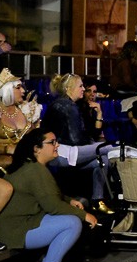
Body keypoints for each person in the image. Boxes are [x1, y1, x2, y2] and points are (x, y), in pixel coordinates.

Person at [0, 129, 98, 262]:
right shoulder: (35, 170)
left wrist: (69, 200)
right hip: (14, 231)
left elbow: (47, 194)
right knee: (72, 223)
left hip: (19, 224)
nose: (57, 145)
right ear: (37, 149)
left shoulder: (31, 166)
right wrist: (85, 215)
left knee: (70, 218)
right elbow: (52, 205)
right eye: (52, 142)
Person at [40, 73, 113, 214]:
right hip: (62, 154)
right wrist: (91, 144)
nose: (83, 89)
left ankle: (97, 200)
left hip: (67, 151)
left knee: (103, 159)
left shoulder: (66, 103)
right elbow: (76, 140)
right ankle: (128, 152)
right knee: (106, 148)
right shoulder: (67, 106)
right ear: (69, 88)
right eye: (80, 86)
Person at [0, 68, 42, 170]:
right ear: (7, 90)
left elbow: (33, 138)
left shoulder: (24, 109)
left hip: (25, 163)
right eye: (18, 87)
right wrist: (6, 149)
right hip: (0, 166)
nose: (23, 91)